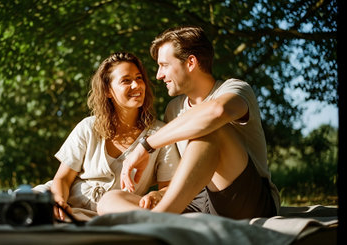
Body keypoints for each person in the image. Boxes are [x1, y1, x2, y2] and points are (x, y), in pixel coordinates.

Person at [0, 52, 180, 222]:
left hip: (111, 210)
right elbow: (63, 178)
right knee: (16, 200)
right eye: (126, 80)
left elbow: (169, 187)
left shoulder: (159, 134)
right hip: (63, 200)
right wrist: (59, 201)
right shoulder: (89, 126)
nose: (137, 85)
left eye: (139, 78)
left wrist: (156, 197)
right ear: (108, 91)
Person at [97, 26, 280, 220]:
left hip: (249, 201)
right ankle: (161, 222)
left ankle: (157, 220)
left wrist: (146, 145)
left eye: (164, 65)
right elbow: (189, 173)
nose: (158, 75)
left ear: (191, 62)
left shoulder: (235, 89)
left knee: (210, 130)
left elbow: (216, 111)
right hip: (200, 200)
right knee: (110, 200)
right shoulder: (173, 108)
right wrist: (160, 194)